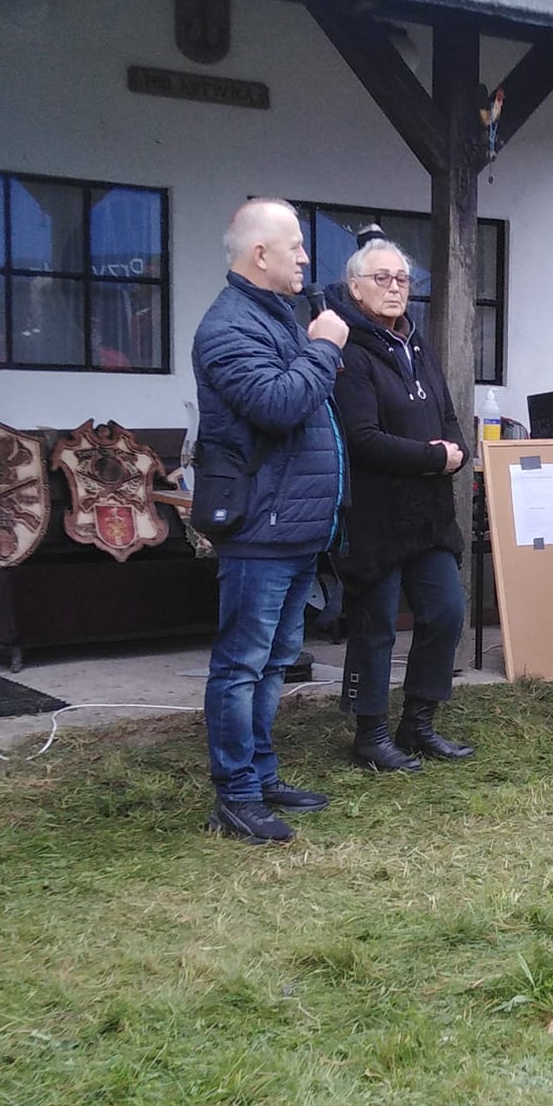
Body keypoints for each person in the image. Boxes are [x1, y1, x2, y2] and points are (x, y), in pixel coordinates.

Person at [193, 197, 348, 843]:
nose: (306, 259)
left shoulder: (276, 316)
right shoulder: (228, 327)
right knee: (242, 666)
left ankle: (260, 777)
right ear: (261, 254)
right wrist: (325, 347)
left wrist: (316, 346)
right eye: (296, 247)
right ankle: (236, 795)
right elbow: (278, 405)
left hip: (294, 527)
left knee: (276, 661)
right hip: (260, 529)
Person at [329, 234, 474, 774]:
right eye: (381, 278)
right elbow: (361, 438)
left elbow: (449, 416)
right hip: (374, 516)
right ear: (355, 287)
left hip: (428, 515)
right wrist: (434, 457)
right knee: (377, 624)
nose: (395, 288)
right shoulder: (349, 350)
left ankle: (418, 724)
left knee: (447, 612)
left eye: (402, 279)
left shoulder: (417, 345)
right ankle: (370, 734)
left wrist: (456, 449)